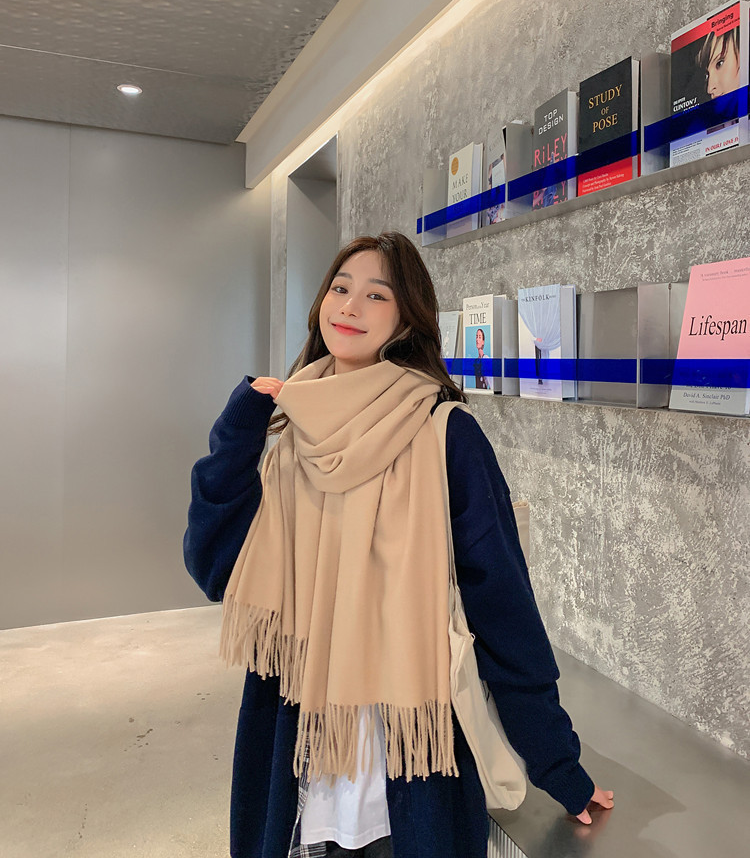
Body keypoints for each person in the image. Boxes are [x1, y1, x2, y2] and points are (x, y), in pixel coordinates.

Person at [184, 231, 613, 858]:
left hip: (408, 775)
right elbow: (215, 567)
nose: (349, 306)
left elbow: (503, 607)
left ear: (407, 319)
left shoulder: (447, 434)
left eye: (376, 295)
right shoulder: (290, 432)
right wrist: (237, 432)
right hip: (294, 766)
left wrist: (558, 764)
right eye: (340, 288)